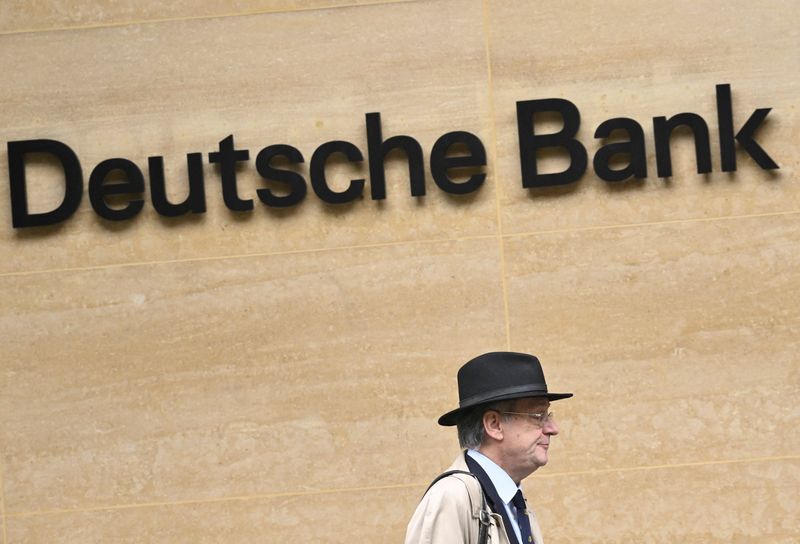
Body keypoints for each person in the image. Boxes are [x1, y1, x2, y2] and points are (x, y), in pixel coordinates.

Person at [405, 352, 572, 544]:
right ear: (494, 425)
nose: (553, 428)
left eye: (548, 415)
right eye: (538, 415)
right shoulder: (451, 498)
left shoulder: (513, 501)